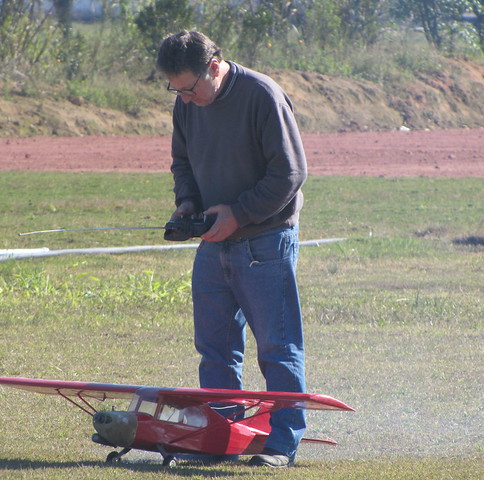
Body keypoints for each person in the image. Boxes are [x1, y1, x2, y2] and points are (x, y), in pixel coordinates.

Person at [156, 31, 308, 467]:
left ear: (215, 65)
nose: (184, 98)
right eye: (175, 90)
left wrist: (238, 214)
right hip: (212, 243)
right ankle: (222, 437)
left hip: (265, 241)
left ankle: (282, 444)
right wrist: (188, 203)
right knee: (215, 349)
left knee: (277, 347)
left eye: (189, 88)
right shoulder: (186, 105)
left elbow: (290, 172)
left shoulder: (262, 96)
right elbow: (182, 161)